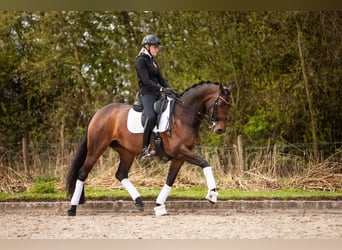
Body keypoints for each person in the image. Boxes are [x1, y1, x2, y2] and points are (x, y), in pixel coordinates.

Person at [135, 34, 177, 158]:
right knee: (152, 117)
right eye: (155, 47)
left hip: (157, 93)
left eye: (157, 47)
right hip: (146, 94)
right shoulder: (140, 61)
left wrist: (171, 90)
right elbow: (146, 80)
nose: (157, 49)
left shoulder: (153, 62)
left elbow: (161, 79)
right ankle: (144, 148)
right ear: (147, 47)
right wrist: (161, 88)